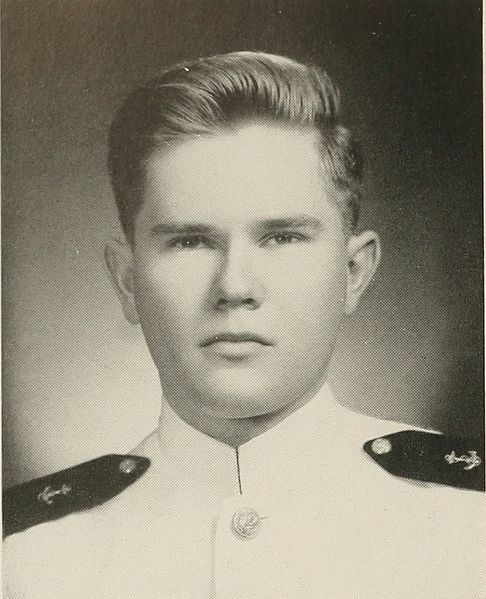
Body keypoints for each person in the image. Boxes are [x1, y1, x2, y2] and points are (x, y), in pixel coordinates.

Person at [3, 51, 484, 598]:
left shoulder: (469, 527)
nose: (234, 287)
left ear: (353, 272)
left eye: (282, 237)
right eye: (189, 241)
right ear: (128, 281)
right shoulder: (27, 559)